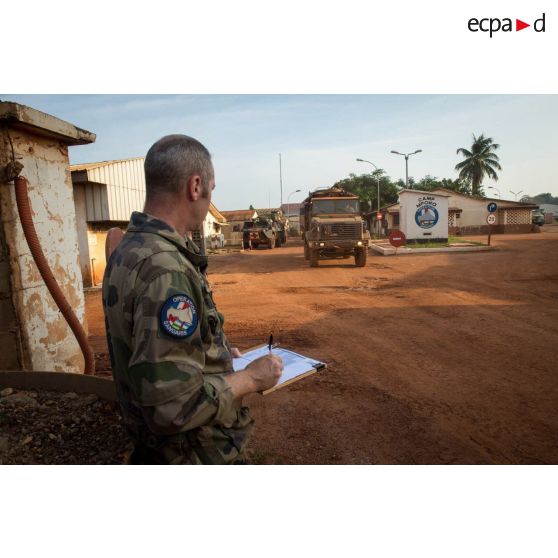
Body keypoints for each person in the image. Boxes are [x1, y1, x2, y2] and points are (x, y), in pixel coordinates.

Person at [102, 134, 283, 464]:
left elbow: (148, 349)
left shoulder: (129, 250)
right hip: (193, 454)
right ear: (196, 186)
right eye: (212, 188)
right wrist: (251, 377)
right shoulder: (166, 270)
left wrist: (215, 351)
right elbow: (171, 408)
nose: (209, 196)